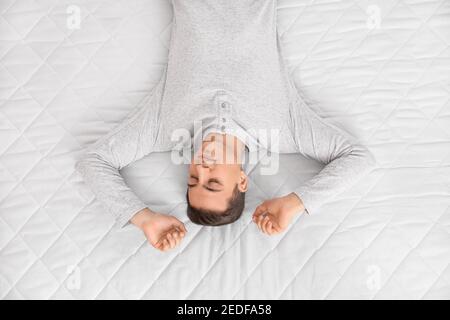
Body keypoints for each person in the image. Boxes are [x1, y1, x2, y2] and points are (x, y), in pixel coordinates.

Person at [76, 0, 376, 252]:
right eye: (214, 182)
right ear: (243, 181)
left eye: (192, 179)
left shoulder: (163, 127)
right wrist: (295, 203)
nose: (201, 169)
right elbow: (359, 159)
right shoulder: (285, 130)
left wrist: (143, 218)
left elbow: (93, 161)